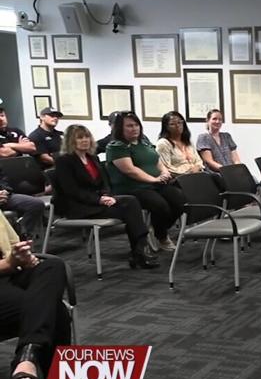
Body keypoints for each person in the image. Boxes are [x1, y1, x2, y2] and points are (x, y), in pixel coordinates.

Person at [0, 212, 103, 379]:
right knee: (55, 311)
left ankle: (28, 353)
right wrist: (9, 264)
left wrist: (23, 257)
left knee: (52, 266)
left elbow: (12, 245)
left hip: (8, 276)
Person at [53, 124, 158, 269]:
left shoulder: (92, 157)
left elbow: (104, 182)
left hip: (97, 201)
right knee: (129, 211)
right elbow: (72, 191)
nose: (85, 140)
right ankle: (139, 252)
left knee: (131, 201)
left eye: (87, 137)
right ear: (71, 140)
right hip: (79, 206)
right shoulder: (64, 161)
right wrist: (99, 199)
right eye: (80, 138)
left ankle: (139, 251)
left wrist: (107, 195)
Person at [105, 111, 185, 252]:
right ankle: (162, 236)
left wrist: (164, 172)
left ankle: (156, 228)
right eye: (129, 126)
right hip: (133, 188)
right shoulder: (116, 146)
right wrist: (154, 179)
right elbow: (130, 170)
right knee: (160, 206)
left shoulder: (144, 142)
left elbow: (157, 160)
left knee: (180, 200)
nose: (134, 128)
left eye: (136, 125)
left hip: (155, 184)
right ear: (120, 128)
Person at [155, 111, 204, 177]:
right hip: (178, 178)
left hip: (196, 175)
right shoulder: (163, 143)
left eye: (179, 122)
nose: (177, 126)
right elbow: (166, 167)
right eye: (172, 124)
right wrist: (188, 172)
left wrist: (197, 167)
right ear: (166, 127)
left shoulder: (187, 141)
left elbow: (199, 161)